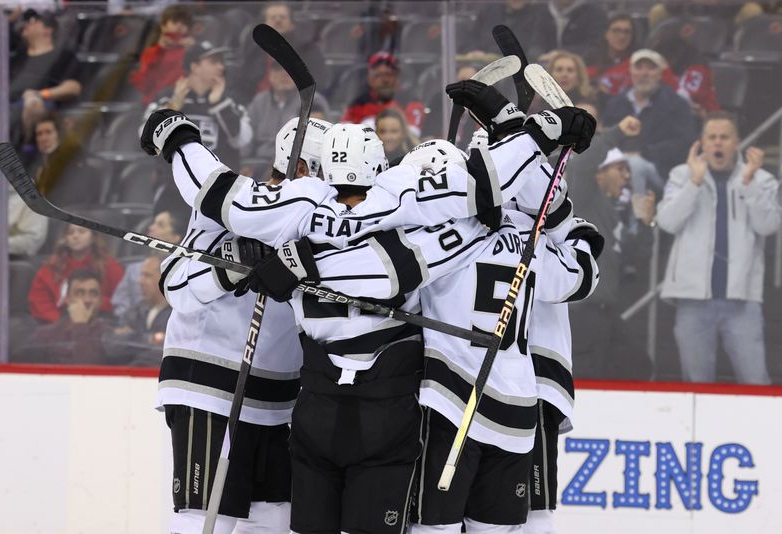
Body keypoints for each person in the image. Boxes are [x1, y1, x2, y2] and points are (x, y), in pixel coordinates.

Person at [143, 80, 594, 533]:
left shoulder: (292, 205)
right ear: (378, 165)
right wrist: (537, 132)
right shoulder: (408, 200)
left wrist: (178, 138)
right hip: (411, 406)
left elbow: (217, 190)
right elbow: (480, 188)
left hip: (327, 404)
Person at [152, 119, 332, 533]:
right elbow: (174, 283)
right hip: (209, 387)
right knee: (205, 524)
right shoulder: (231, 206)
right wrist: (227, 270)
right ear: (304, 170)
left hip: (281, 400)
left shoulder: (325, 223)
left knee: (274, 522)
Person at [656, 112, 782, 384]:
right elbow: (667, 221)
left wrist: (748, 185)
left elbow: (768, 225)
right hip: (692, 300)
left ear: (736, 141)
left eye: (724, 137)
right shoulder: (682, 175)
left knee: (756, 382)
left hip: (742, 299)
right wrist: (694, 183)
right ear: (702, 142)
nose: (717, 144)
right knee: (696, 386)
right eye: (711, 137)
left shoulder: (760, 179)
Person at [570, 148, 655, 379]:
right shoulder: (583, 201)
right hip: (581, 313)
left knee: (638, 366)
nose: (627, 176)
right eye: (620, 169)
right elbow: (580, 166)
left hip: (605, 313)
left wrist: (645, 224)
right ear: (598, 175)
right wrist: (616, 134)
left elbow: (635, 256)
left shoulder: (611, 214)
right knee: (585, 376)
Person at [144, 40, 252, 172]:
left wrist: (219, 105)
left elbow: (242, 140)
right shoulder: (167, 97)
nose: (221, 67)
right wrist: (172, 109)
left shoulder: (230, 100)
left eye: (221, 62)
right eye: (213, 62)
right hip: (175, 183)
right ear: (194, 66)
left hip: (219, 184)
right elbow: (147, 138)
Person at [601, 48, 697, 180]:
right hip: (617, 163)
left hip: (661, 170)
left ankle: (637, 201)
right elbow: (607, 136)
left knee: (634, 164)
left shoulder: (676, 105)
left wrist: (644, 152)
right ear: (631, 72)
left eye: (651, 68)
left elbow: (683, 143)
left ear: (660, 74)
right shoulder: (616, 103)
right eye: (639, 68)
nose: (644, 73)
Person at [3, 8, 81, 146]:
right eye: (24, 21)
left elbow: (73, 87)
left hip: (40, 105)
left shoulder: (62, 56)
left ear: (48, 29)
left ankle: (24, 156)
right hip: (7, 106)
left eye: (32, 21)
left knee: (31, 105)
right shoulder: (17, 59)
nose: (25, 24)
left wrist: (40, 94)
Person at [243, 60, 330, 171]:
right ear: (270, 75)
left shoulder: (312, 100)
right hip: (260, 166)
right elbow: (246, 142)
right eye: (278, 70)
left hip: (296, 167)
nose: (284, 74)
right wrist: (243, 164)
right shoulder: (259, 102)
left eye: (289, 70)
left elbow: (317, 144)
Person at [28, 224, 123, 323]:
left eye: (82, 231)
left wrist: (94, 305)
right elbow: (39, 301)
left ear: (93, 237)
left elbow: (120, 301)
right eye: (70, 232)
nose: (75, 236)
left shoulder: (110, 266)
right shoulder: (51, 267)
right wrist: (62, 324)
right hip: (57, 326)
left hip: (101, 324)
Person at [22, 269, 114, 364]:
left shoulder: (110, 336)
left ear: (100, 301)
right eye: (80, 293)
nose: (87, 300)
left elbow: (87, 370)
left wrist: (80, 325)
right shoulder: (45, 336)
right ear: (67, 300)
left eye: (93, 294)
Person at [111, 210, 183, 320]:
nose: (151, 228)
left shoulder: (184, 271)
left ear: (175, 237)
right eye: (153, 223)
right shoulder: (133, 270)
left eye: (160, 225)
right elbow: (120, 307)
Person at [104, 256, 171, 366]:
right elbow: (113, 345)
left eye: (147, 276)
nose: (140, 281)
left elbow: (163, 353)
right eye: (141, 275)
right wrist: (150, 339)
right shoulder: (135, 312)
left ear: (165, 278)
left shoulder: (177, 313)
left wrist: (132, 338)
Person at [341, 51, 425, 137]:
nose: (385, 80)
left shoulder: (410, 102)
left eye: (388, 74)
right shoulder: (357, 104)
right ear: (370, 79)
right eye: (378, 75)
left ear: (397, 78)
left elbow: (414, 134)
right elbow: (344, 134)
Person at [27, 113, 99, 207]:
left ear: (59, 135)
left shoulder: (73, 167)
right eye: (39, 134)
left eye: (48, 132)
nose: (43, 138)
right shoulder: (37, 169)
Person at [129, 5, 195, 105]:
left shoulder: (193, 50)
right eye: (175, 22)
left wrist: (194, 50)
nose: (179, 27)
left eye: (184, 24)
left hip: (185, 101)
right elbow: (144, 83)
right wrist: (160, 49)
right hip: (155, 103)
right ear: (163, 26)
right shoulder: (151, 52)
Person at [586, 13, 636, 97]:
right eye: (616, 31)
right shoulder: (590, 60)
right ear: (606, 34)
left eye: (627, 32)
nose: (622, 36)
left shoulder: (638, 61)